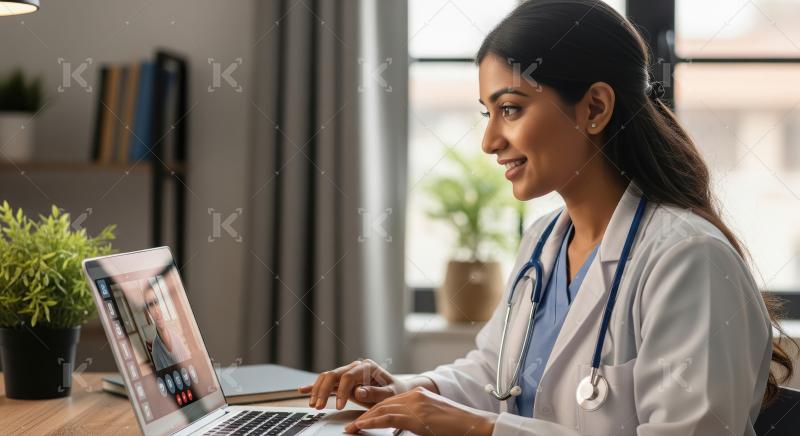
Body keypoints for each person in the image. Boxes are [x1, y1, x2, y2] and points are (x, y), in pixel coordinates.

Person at [299, 1, 796, 434]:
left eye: (510, 109)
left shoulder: (688, 260)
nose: (489, 141)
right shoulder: (544, 243)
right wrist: (406, 387)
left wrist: (478, 429)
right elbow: (494, 373)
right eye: (485, 114)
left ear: (595, 108)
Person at [143, 285, 190, 371]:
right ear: (148, 311)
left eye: (156, 302)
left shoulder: (177, 336)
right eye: (151, 305)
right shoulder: (155, 351)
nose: (156, 311)